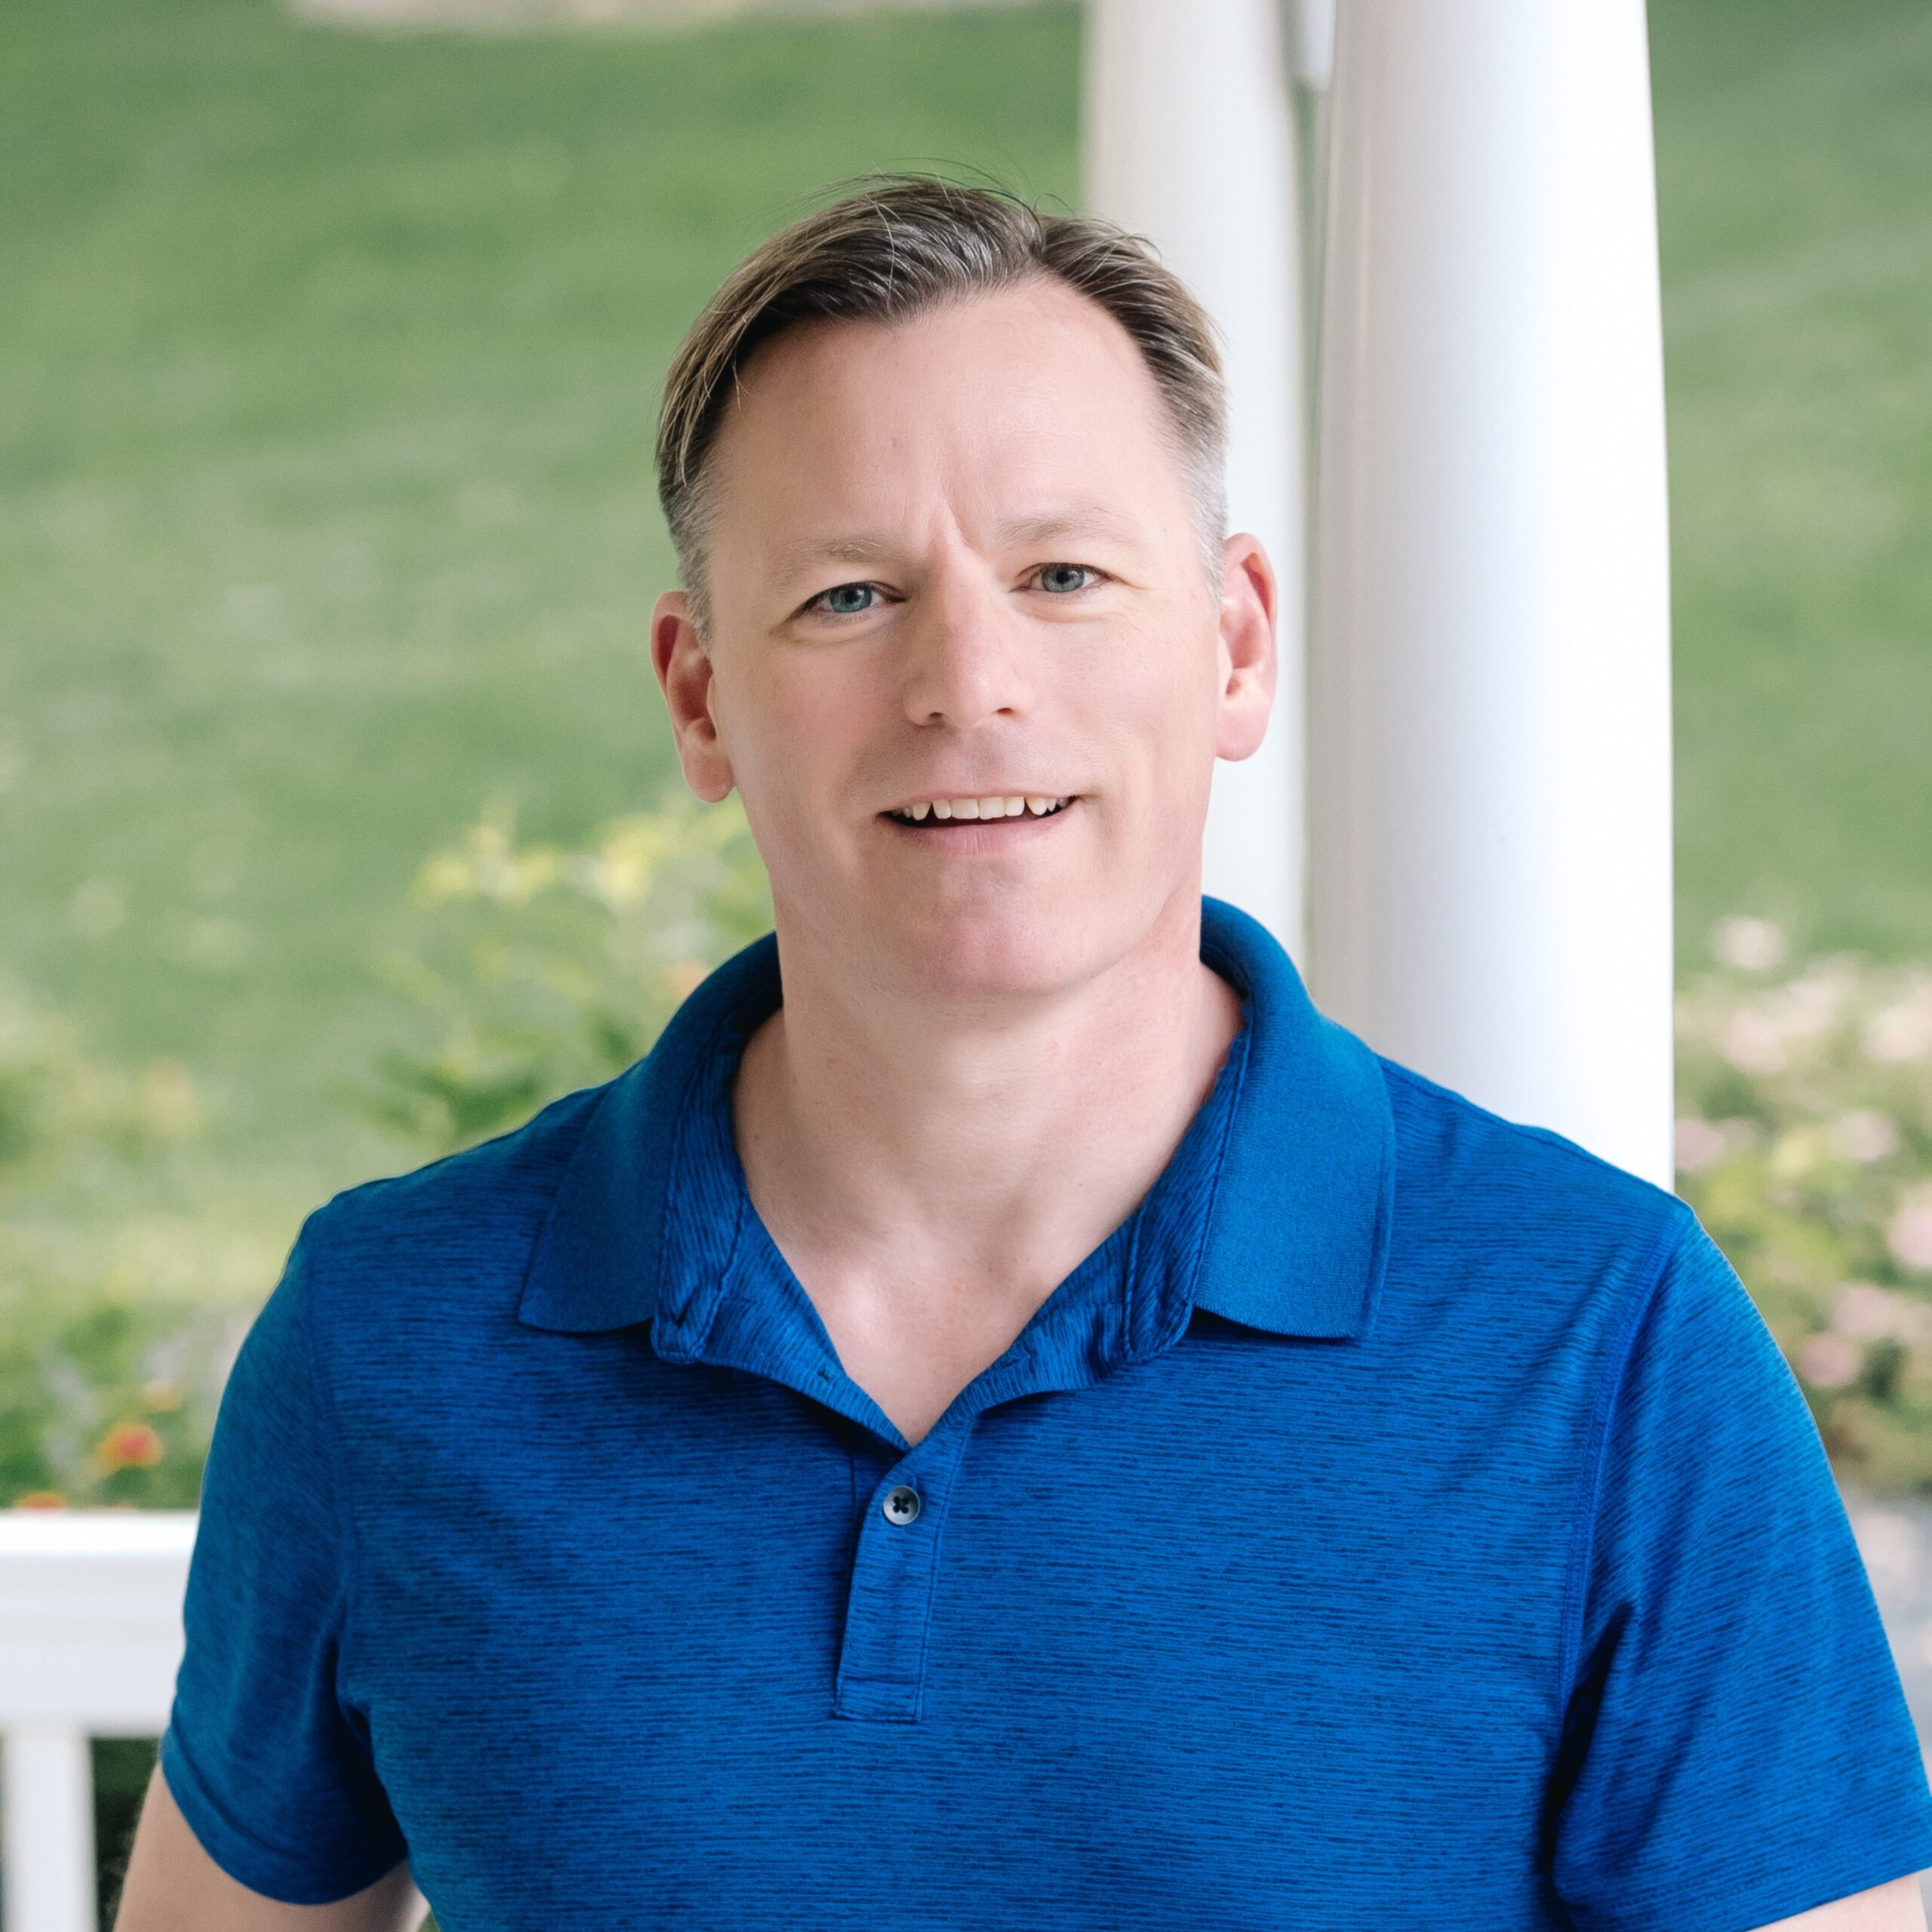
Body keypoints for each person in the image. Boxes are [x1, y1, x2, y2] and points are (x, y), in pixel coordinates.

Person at [115, 177, 1932, 1932]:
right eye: (848, 595)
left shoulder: (1593, 1334)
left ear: (1232, 644)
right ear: (698, 694)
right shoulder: (388, 1335)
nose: (966, 680)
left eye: (1061, 572)